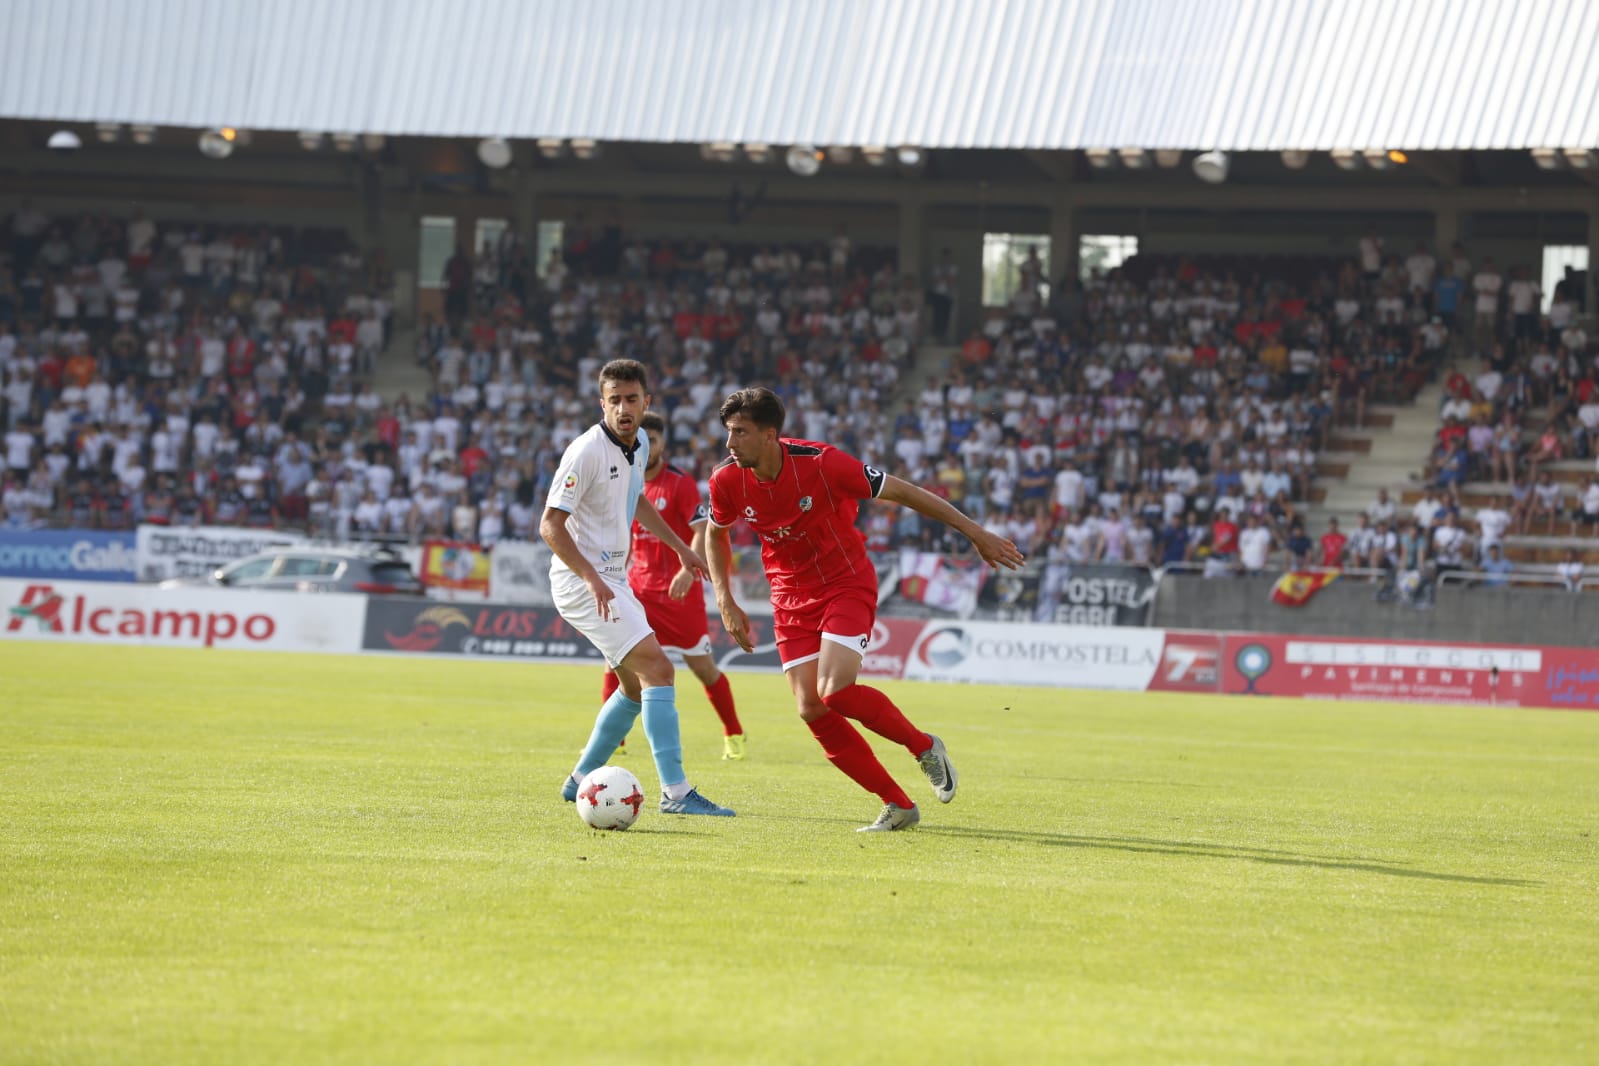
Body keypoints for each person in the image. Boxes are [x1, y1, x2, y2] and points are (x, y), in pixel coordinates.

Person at [705, 387, 1024, 832]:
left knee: (835, 691)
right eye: (728, 432)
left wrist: (974, 532)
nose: (730, 442)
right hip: (789, 598)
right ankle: (898, 804)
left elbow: (905, 492)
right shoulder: (725, 480)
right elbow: (715, 534)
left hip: (845, 583)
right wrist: (725, 598)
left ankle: (924, 746)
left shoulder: (823, 463)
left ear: (769, 435)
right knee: (810, 708)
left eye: (740, 432)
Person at [541, 359, 734, 818]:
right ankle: (677, 793)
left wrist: (680, 550)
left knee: (632, 686)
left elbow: (638, 500)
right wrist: (591, 578)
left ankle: (577, 781)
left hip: (611, 579)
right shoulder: (585, 452)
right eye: (614, 401)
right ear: (601, 403)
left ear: (646, 402)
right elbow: (550, 526)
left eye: (631, 399)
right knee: (659, 670)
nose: (623, 409)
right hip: (581, 582)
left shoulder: (640, 442)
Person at [601, 411, 747, 761]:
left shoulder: (678, 483)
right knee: (615, 663)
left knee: (703, 669)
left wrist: (687, 569)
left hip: (680, 597)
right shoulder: (627, 480)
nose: (649, 446)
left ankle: (734, 734)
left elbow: (701, 532)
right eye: (643, 438)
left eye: (655, 439)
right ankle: (613, 741)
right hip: (638, 591)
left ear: (663, 443)